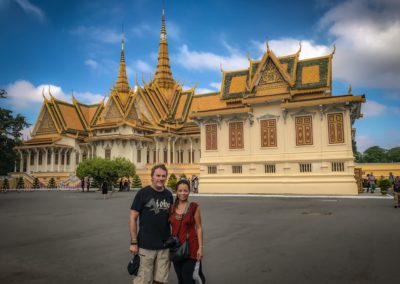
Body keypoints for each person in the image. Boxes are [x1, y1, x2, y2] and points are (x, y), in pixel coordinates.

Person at [129, 164, 173, 284]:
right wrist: (133, 242)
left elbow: (171, 219)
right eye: (158, 175)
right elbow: (133, 218)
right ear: (152, 177)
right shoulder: (143, 193)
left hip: (164, 246)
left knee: (160, 280)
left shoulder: (168, 195)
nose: (161, 178)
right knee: (143, 280)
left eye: (163, 176)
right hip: (145, 245)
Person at [169, 179, 205, 284]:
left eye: (185, 191)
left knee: (188, 280)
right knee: (180, 279)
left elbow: (199, 227)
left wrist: (201, 248)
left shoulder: (194, 207)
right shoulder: (171, 208)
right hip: (176, 249)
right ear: (176, 191)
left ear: (189, 191)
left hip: (191, 248)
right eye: (180, 191)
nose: (182, 193)